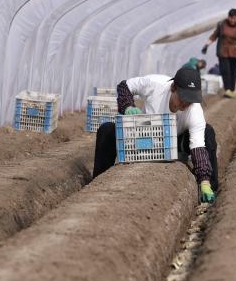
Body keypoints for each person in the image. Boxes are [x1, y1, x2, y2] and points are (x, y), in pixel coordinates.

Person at [92, 66, 218, 203]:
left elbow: (198, 146)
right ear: (173, 88)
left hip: (175, 143)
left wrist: (204, 181)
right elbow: (124, 86)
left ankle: (210, 190)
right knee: (107, 130)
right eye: (183, 98)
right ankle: (98, 181)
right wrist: (127, 106)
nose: (186, 103)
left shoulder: (194, 110)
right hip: (144, 136)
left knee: (207, 132)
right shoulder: (155, 85)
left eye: (190, 100)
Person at [202, 8, 236, 98]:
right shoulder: (222, 25)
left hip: (235, 53)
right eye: (231, 18)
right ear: (228, 17)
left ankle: (232, 90)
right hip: (223, 52)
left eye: (235, 18)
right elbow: (213, 36)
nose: (233, 20)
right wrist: (206, 45)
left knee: (233, 72)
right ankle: (227, 90)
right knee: (225, 71)